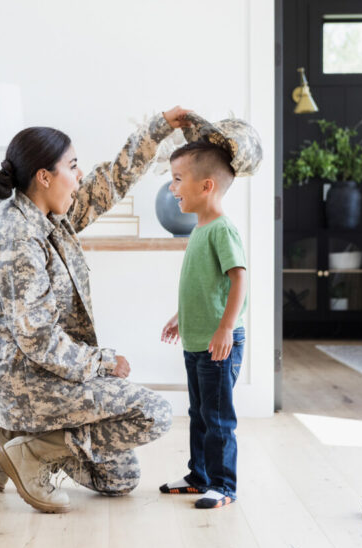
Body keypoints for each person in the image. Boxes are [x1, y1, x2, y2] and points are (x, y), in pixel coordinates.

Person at [0, 107, 191, 513]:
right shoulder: (17, 239)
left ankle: (8, 438)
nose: (79, 176)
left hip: (53, 377)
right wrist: (104, 362)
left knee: (120, 478)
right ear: (44, 176)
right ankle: (29, 448)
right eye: (72, 167)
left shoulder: (51, 215)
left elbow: (112, 179)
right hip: (30, 384)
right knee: (155, 413)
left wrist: (161, 126)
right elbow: (38, 340)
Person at [157, 118, 262, 509]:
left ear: (206, 186)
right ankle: (198, 476)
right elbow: (203, 285)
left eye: (178, 179)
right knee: (199, 413)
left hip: (219, 344)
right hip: (198, 340)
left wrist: (226, 329)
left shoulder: (221, 230)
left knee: (218, 419)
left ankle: (223, 485)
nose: (172, 187)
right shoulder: (198, 229)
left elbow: (239, 280)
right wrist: (180, 316)